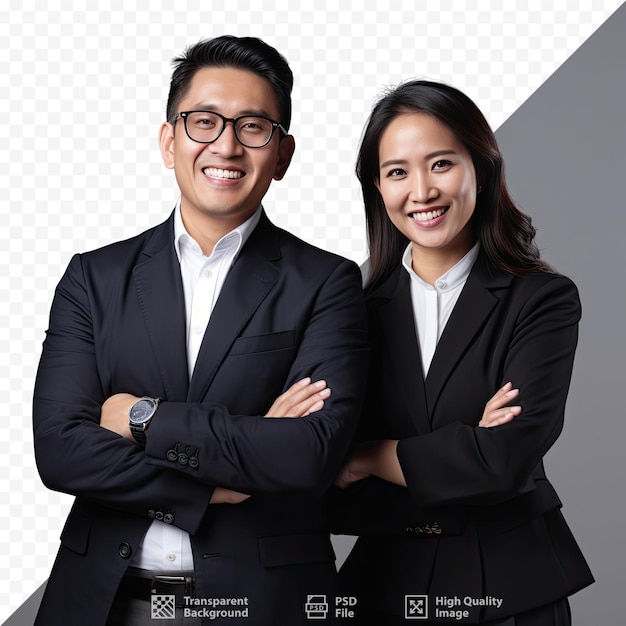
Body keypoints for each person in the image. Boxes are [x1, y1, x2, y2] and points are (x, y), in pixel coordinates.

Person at [33, 35, 369, 626]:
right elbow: (60, 451)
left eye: (253, 127)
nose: (227, 146)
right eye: (204, 122)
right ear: (169, 141)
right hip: (102, 599)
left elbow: (308, 455)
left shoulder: (327, 282)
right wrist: (212, 485)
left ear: (283, 155)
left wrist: (141, 418)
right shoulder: (95, 278)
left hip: (263, 603)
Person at [330, 80, 594, 625]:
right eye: (397, 172)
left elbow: (502, 460)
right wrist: (461, 444)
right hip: (380, 588)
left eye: (441, 164)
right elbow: (314, 463)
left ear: (481, 166)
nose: (421, 191)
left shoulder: (541, 300)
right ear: (377, 188)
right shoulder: (348, 309)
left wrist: (370, 456)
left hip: (507, 590)